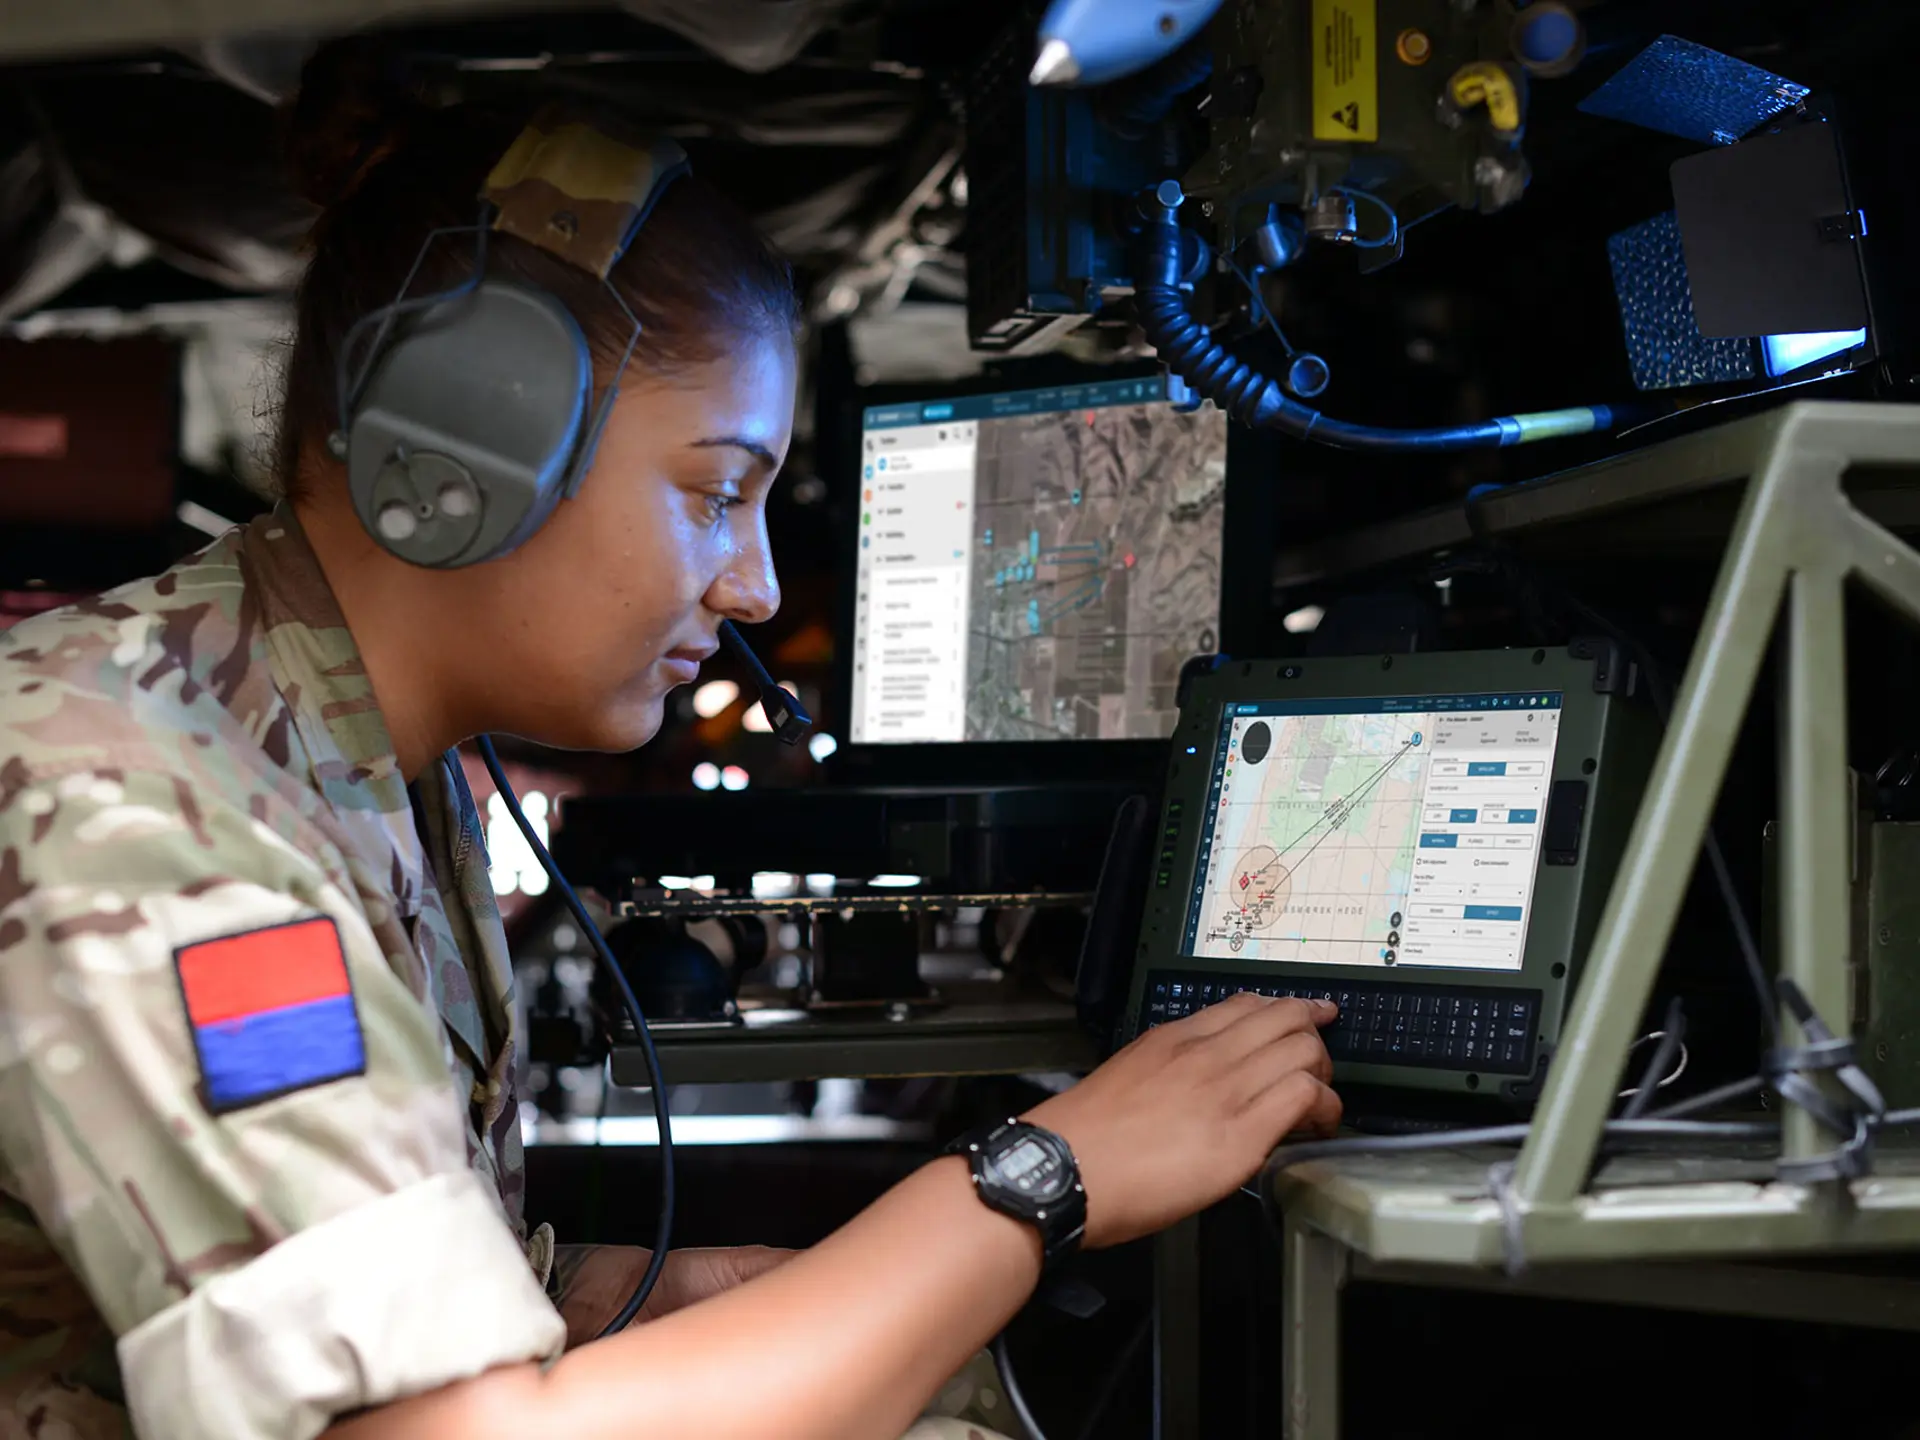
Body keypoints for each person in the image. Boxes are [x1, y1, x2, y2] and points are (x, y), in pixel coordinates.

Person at [0, 39, 1342, 1440]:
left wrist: (658, 1290)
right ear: (464, 444)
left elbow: (357, 1288)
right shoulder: (138, 800)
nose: (757, 585)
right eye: (716, 491)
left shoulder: (361, 759)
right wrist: (1039, 1181)